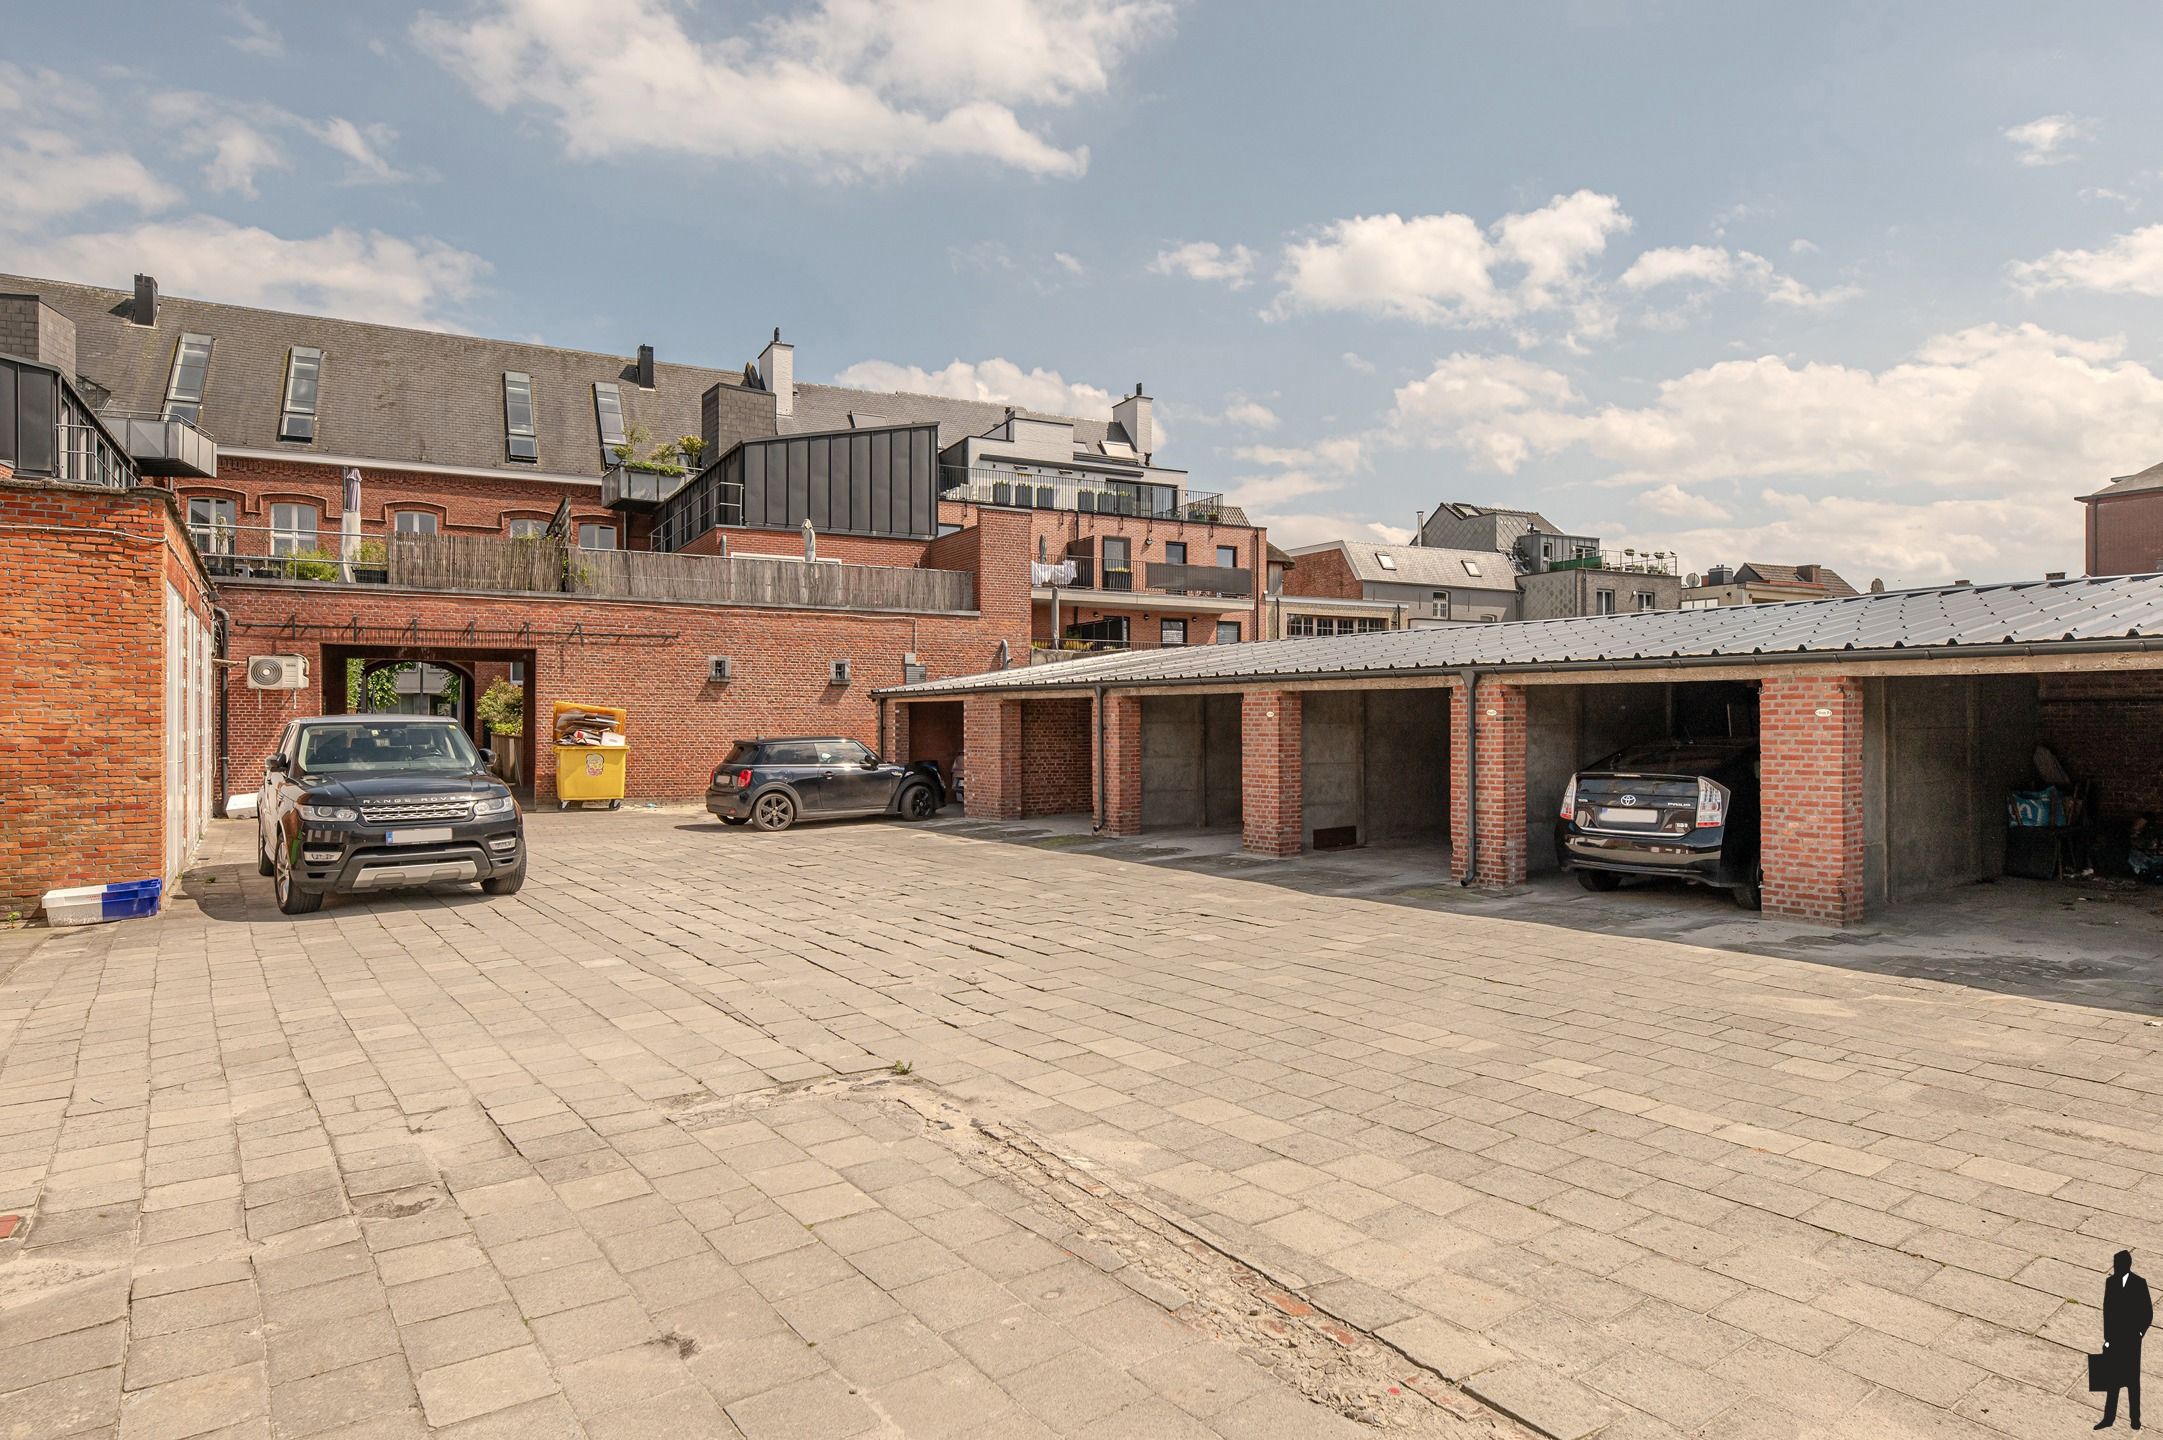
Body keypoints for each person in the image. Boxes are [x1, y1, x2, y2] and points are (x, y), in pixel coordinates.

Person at [2100, 1249, 2152, 1430]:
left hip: (2131, 1341)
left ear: (2126, 1265)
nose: (2115, 1267)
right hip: (2114, 1339)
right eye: (2115, 1264)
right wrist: (2107, 1338)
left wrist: (2139, 1333)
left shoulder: (2139, 1283)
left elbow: (2147, 1312)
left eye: (2118, 1264)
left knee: (2132, 1382)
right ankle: (2108, 1418)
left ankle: (2135, 1419)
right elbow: (2107, 1312)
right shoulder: (2111, 1282)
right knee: (2112, 1381)